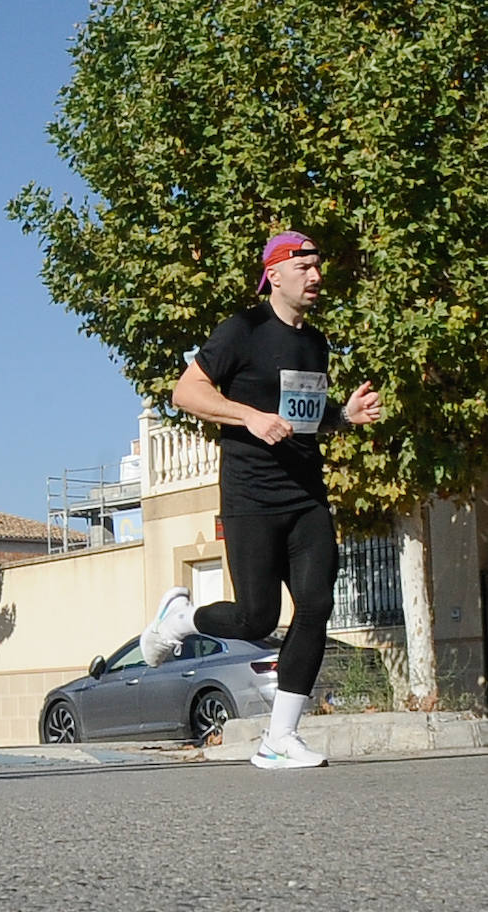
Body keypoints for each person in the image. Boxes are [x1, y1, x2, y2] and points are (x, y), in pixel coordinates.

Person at [141, 231, 382, 770]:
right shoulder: (242, 331)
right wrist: (248, 415)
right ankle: (180, 619)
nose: (316, 277)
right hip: (251, 495)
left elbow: (303, 420)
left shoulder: (315, 344)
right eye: (305, 268)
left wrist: (343, 416)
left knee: (316, 605)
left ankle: (280, 737)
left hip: (305, 494)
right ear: (274, 274)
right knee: (255, 618)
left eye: (319, 268)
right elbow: (187, 392)